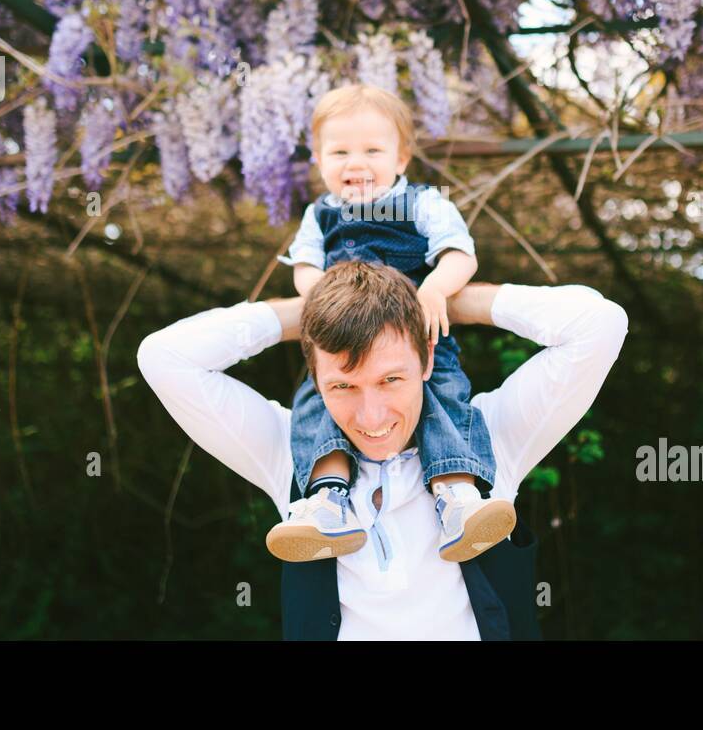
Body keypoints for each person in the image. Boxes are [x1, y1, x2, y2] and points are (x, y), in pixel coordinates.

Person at [136, 260, 629, 640]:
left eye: (391, 379)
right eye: (343, 387)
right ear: (314, 377)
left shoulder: (489, 439)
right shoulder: (292, 455)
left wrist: (448, 302)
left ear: (428, 358)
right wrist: (306, 314)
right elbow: (164, 357)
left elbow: (599, 325)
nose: (372, 418)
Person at [267, 82, 511, 565]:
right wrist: (319, 300)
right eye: (339, 152)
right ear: (318, 160)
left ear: (401, 159)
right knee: (318, 403)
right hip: (344, 342)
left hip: (418, 339)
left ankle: (458, 497)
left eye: (372, 150)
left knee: (443, 398)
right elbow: (305, 269)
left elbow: (460, 253)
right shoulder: (320, 215)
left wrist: (438, 288)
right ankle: (326, 501)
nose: (355, 163)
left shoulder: (422, 202)